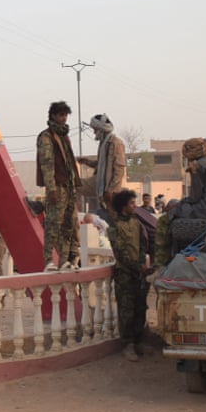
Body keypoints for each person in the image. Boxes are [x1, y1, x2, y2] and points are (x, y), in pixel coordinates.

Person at [36, 100, 81, 271]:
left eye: (65, 115)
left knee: (69, 224)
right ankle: (48, 259)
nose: (64, 119)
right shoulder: (47, 137)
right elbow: (47, 165)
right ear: (53, 116)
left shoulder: (63, 136)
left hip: (68, 186)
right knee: (53, 224)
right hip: (57, 187)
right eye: (61, 115)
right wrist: (51, 188)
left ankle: (64, 260)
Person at [108, 189, 153, 361]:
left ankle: (138, 341)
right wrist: (136, 267)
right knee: (126, 310)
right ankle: (127, 344)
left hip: (139, 273)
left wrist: (142, 263)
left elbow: (143, 245)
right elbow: (120, 253)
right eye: (132, 203)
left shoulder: (136, 224)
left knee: (140, 308)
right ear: (123, 206)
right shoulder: (114, 227)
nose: (135, 206)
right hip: (125, 274)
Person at [77, 113, 126, 218]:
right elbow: (101, 165)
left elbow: (119, 170)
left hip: (109, 188)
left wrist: (111, 190)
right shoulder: (103, 143)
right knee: (74, 184)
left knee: (113, 216)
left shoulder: (116, 143)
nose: (94, 132)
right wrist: (87, 162)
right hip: (100, 183)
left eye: (95, 129)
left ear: (101, 129)